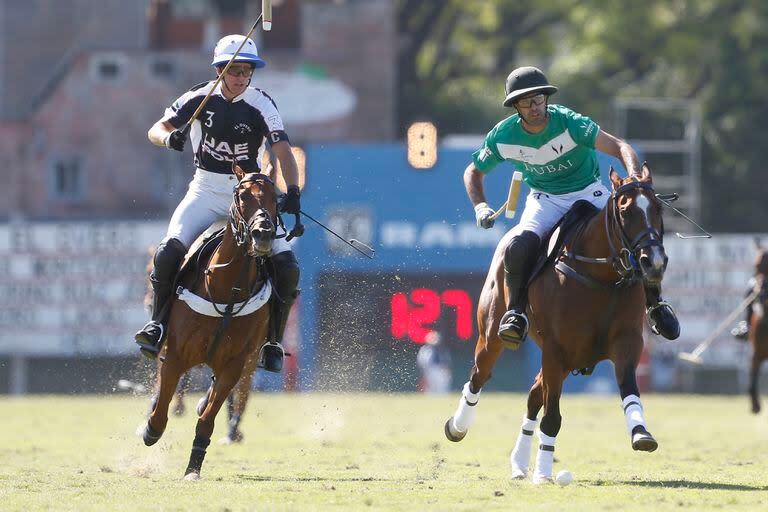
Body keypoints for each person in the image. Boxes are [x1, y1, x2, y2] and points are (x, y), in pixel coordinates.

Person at [465, 66, 680, 347]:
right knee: (518, 246)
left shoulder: (570, 123)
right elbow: (473, 172)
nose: (535, 107)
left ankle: (655, 303)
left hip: (588, 193)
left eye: (539, 99)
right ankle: (516, 313)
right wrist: (480, 206)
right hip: (545, 199)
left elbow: (619, 146)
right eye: (526, 102)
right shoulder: (503, 137)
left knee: (635, 235)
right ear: (515, 106)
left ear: (546, 99)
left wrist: (635, 176)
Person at [134, 34, 302, 373]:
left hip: (249, 195)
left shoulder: (261, 104)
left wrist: (293, 191)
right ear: (219, 70)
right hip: (205, 192)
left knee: (286, 267)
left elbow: (282, 149)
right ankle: (158, 326)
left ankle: (272, 342)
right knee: (168, 252)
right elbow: (156, 129)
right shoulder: (198, 98)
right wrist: (170, 138)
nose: (240, 78)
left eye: (246, 71)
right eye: (234, 70)